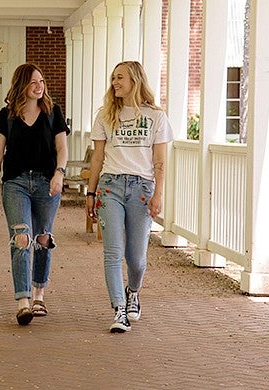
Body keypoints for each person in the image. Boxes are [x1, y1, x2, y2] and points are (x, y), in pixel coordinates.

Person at [86, 61, 173, 333]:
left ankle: (133, 291)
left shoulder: (156, 117)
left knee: (136, 257)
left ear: (135, 79)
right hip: (110, 187)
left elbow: (160, 161)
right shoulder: (105, 115)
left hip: (142, 189)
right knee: (112, 253)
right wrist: (91, 192)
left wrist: (159, 194)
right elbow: (98, 158)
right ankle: (119, 310)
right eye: (113, 78)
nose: (115, 82)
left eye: (120, 77)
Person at [0, 63, 69, 326]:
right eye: (33, 82)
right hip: (16, 183)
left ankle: (38, 294)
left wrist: (59, 173)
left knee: (43, 238)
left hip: (47, 183)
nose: (39, 86)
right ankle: (23, 301)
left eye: (42, 81)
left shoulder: (53, 112)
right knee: (21, 237)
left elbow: (62, 148)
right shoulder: (6, 115)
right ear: (22, 85)